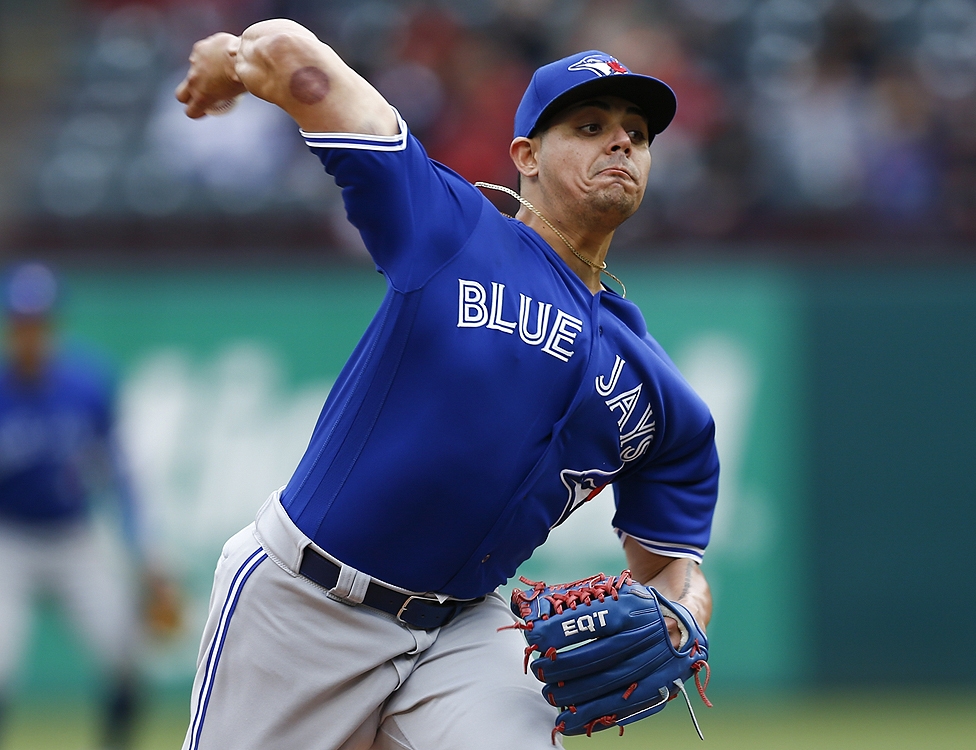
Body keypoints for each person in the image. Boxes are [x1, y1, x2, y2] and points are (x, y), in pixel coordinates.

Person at [175, 18, 719, 750]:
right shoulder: (453, 230)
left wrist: (683, 615)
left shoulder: (660, 396)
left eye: (637, 133)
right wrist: (237, 58)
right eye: (589, 125)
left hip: (462, 631)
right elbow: (306, 66)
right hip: (303, 605)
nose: (621, 141)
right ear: (524, 154)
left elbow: (673, 570)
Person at [0, 263, 173, 750]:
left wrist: (145, 549)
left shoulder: (86, 386)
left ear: (52, 323)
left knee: (123, 653)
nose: (30, 332)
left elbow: (120, 475)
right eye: (21, 321)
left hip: (72, 537)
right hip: (8, 539)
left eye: (39, 320)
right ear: (12, 326)